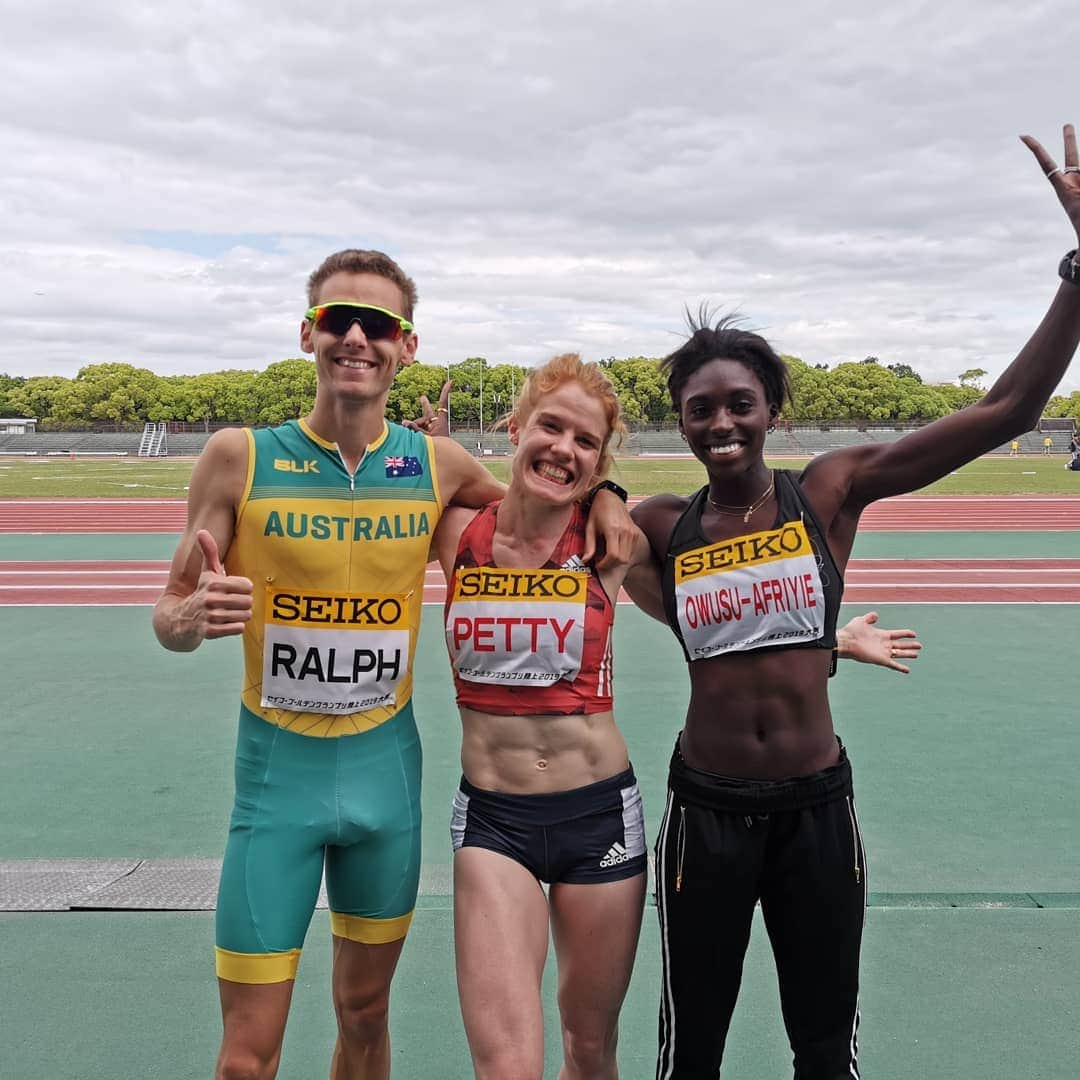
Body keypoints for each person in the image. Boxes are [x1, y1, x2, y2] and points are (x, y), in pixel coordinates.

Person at [626, 125, 1080, 1079]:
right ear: (681, 420)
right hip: (703, 811)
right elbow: (545, 517)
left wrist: (1079, 273)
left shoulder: (827, 491)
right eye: (700, 407)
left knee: (825, 1051)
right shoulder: (661, 524)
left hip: (815, 811)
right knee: (691, 1051)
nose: (720, 422)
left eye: (738, 402)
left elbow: (1007, 416)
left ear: (770, 410)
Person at [151, 250, 635, 1080]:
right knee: (242, 1060)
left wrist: (613, 495)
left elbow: (547, 492)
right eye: (339, 319)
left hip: (386, 778)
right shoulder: (238, 457)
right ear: (308, 331)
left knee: (366, 1017)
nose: (356, 338)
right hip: (277, 784)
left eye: (379, 325)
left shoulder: (436, 467)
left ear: (406, 346)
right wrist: (189, 620)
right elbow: (169, 611)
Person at [426, 355, 922, 1079]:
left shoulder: (614, 542)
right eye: (549, 427)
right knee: (506, 1065)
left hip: (597, 811)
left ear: (600, 461)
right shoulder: (456, 530)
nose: (563, 447)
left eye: (586, 442)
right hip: (493, 815)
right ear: (515, 427)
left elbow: (730, 627)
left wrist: (830, 642)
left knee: (590, 1050)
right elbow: (415, 472)